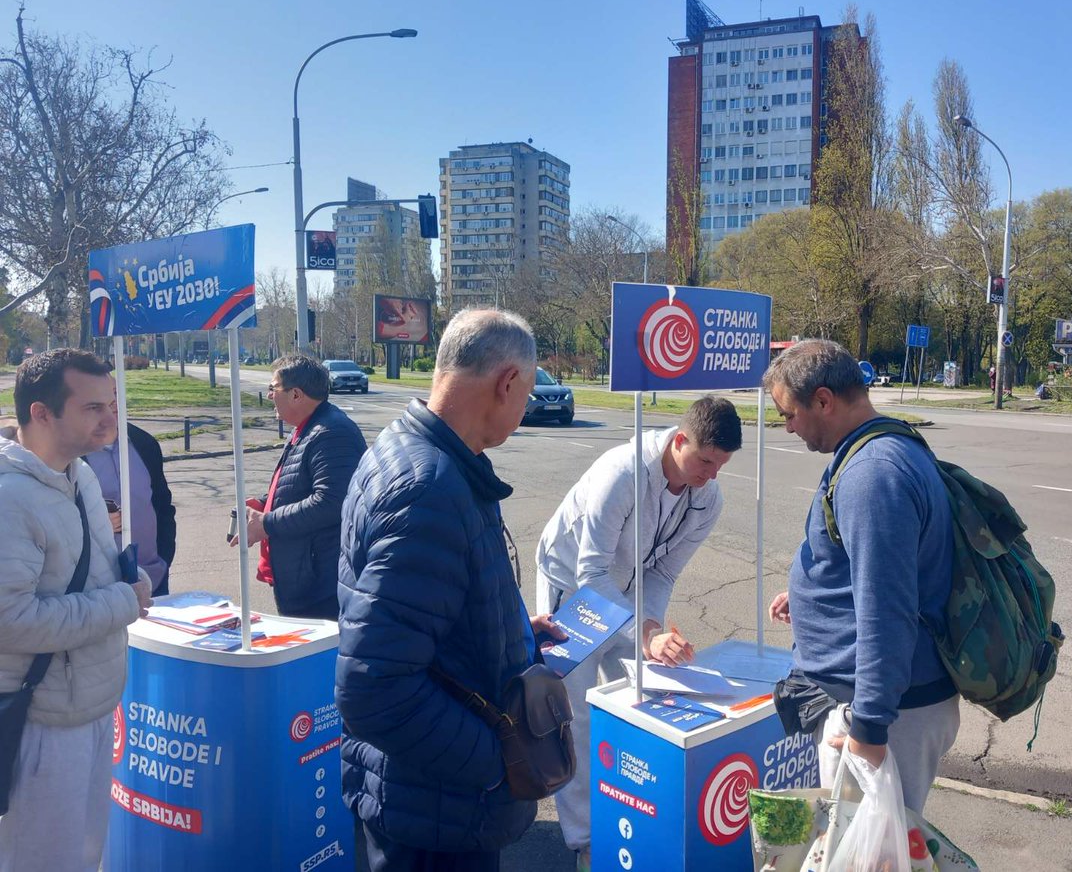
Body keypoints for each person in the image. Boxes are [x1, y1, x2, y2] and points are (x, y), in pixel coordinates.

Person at [336, 308, 565, 872]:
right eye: (527, 392)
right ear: (507, 382)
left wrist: (509, 633)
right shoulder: (429, 486)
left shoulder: (414, 453)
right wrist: (497, 763)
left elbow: (421, 617)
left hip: (425, 801)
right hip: (437, 816)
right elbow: (373, 687)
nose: (525, 408)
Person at [535, 395, 742, 871]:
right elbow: (591, 573)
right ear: (680, 439)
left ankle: (624, 809)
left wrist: (650, 632)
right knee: (577, 711)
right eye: (706, 461)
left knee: (634, 695)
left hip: (628, 591)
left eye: (721, 465)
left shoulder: (708, 497)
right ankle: (586, 838)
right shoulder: (623, 472)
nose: (711, 474)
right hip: (572, 588)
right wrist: (646, 631)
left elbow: (663, 574)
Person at [765, 339, 958, 814]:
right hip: (885, 705)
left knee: (868, 855)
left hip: (883, 716)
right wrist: (812, 592)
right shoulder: (878, 445)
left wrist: (868, 731)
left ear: (824, 400)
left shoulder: (872, 474)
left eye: (789, 414)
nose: (787, 427)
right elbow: (869, 568)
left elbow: (887, 611)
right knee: (870, 851)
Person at [0, 349, 152, 872]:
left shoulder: (80, 474)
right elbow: (9, 621)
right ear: (41, 413)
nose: (112, 418)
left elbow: (101, 570)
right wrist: (122, 602)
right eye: (93, 408)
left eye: (111, 403)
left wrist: (135, 580)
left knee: (86, 856)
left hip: (90, 706)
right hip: (41, 721)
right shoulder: (8, 499)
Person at [233, 354, 366, 620]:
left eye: (273, 388)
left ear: (296, 394)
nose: (269, 395)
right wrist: (264, 502)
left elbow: (332, 502)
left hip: (320, 585)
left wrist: (267, 522)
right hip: (303, 576)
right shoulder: (310, 427)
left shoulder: (330, 432)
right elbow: (299, 484)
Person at [83, 397, 176, 596]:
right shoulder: (70, 453)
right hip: (97, 591)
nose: (113, 404)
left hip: (153, 579)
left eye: (115, 394)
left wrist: (164, 560)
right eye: (102, 397)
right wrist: (94, 522)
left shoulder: (144, 443)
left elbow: (163, 507)